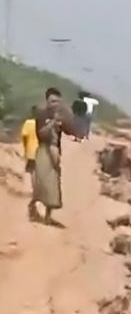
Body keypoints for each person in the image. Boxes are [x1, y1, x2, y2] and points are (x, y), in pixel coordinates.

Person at [31, 87, 68, 223]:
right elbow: (40, 134)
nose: (55, 104)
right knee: (41, 182)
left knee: (53, 183)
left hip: (54, 150)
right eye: (53, 101)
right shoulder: (41, 115)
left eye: (58, 102)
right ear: (47, 101)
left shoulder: (59, 117)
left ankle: (48, 216)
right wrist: (52, 124)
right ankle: (33, 209)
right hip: (43, 149)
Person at [20, 106, 39, 196]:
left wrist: (25, 147)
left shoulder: (28, 123)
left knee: (32, 172)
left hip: (31, 151)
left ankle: (35, 190)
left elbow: (24, 136)